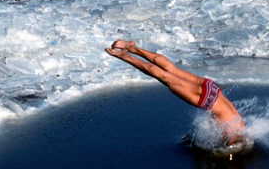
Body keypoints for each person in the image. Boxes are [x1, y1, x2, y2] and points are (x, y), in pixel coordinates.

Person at [105, 40, 244, 144]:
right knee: (165, 77)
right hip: (206, 99)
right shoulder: (232, 137)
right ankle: (126, 56)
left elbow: (214, 120)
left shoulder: (240, 125)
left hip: (212, 88)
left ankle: (133, 48)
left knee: (171, 69)